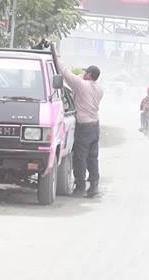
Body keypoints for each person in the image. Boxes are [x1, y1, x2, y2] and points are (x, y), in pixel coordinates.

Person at [53, 44, 103, 198]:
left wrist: (56, 56)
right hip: (95, 126)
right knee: (92, 157)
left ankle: (80, 187)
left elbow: (65, 73)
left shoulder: (82, 85)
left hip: (84, 128)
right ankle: (93, 185)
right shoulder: (99, 88)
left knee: (80, 157)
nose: (83, 74)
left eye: (85, 72)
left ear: (88, 75)